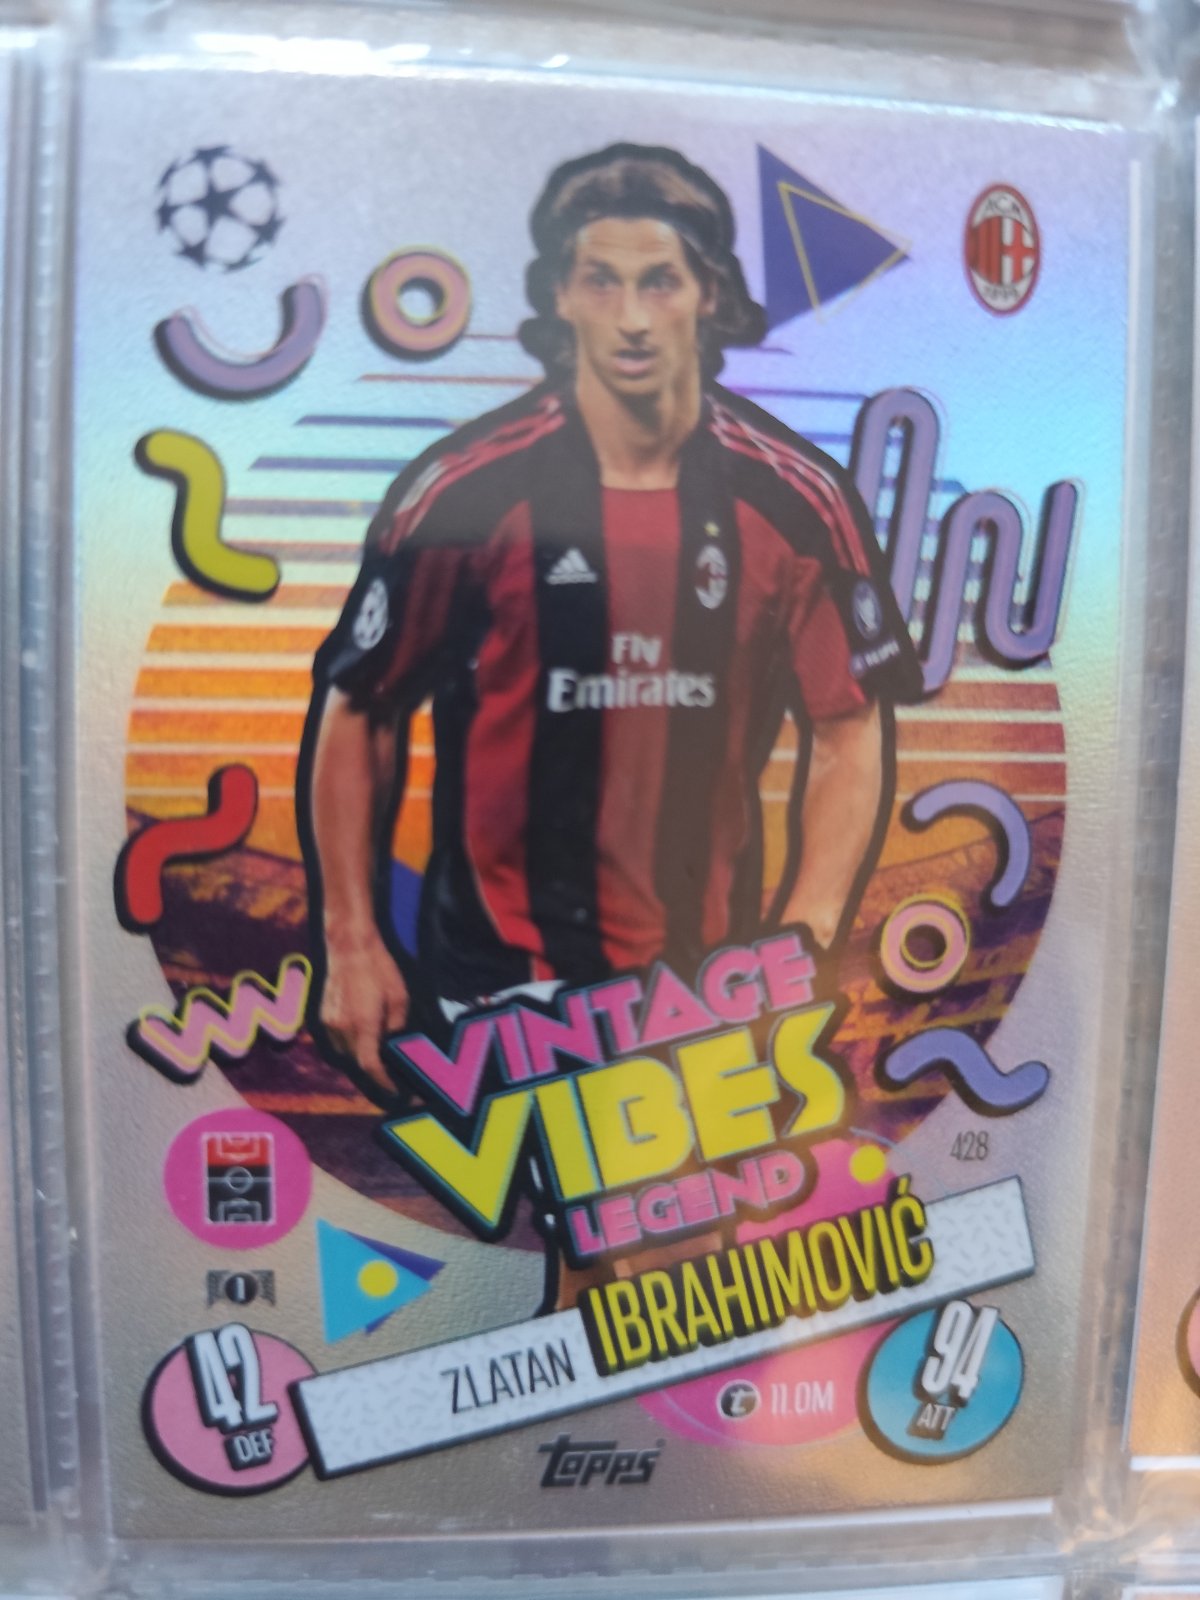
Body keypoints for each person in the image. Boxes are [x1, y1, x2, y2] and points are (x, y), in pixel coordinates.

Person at [303, 141, 922, 1101]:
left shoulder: (797, 500)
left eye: (660, 282)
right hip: (495, 985)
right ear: (561, 295)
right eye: (602, 280)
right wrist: (350, 938)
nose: (632, 318)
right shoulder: (464, 492)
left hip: (708, 993)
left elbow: (847, 726)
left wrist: (805, 940)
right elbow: (360, 708)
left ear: (708, 293)